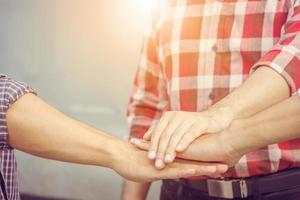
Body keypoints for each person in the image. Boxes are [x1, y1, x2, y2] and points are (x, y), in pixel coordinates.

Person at [123, 0, 300, 199]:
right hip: (181, 190)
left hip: (283, 190)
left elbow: (294, 55)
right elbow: (147, 107)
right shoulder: (163, 7)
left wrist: (218, 116)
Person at [0, 74, 228, 200]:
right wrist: (122, 155)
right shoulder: (164, 14)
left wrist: (121, 155)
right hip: (180, 189)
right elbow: (145, 108)